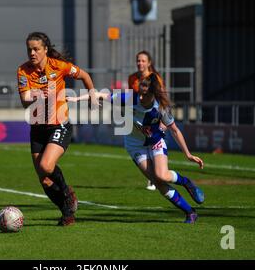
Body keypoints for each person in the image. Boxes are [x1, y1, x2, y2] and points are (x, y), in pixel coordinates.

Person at [67, 74, 205, 223]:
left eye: (144, 94)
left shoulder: (161, 108)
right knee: (158, 183)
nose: (140, 97)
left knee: (162, 175)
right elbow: (100, 94)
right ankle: (190, 212)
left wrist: (188, 154)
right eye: (140, 92)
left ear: (153, 94)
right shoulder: (129, 98)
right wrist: (76, 99)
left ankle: (186, 182)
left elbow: (175, 130)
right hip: (134, 144)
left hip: (155, 140)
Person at [17, 31, 99, 226]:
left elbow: (84, 75)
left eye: (36, 49)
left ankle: (67, 191)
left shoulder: (59, 66)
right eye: (29, 49)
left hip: (59, 125)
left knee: (46, 166)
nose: (32, 53)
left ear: (45, 50)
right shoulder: (23, 71)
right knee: (43, 179)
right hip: (37, 129)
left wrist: (93, 94)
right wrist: (39, 94)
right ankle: (67, 212)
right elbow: (24, 100)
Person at [128, 51, 165, 191]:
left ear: (149, 63)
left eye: (143, 61)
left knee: (152, 146)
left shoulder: (155, 79)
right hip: (139, 119)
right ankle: (153, 178)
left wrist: (162, 123)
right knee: (142, 146)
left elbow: (162, 100)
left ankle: (158, 176)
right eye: (138, 60)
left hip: (153, 118)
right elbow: (132, 99)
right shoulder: (132, 78)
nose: (140, 63)